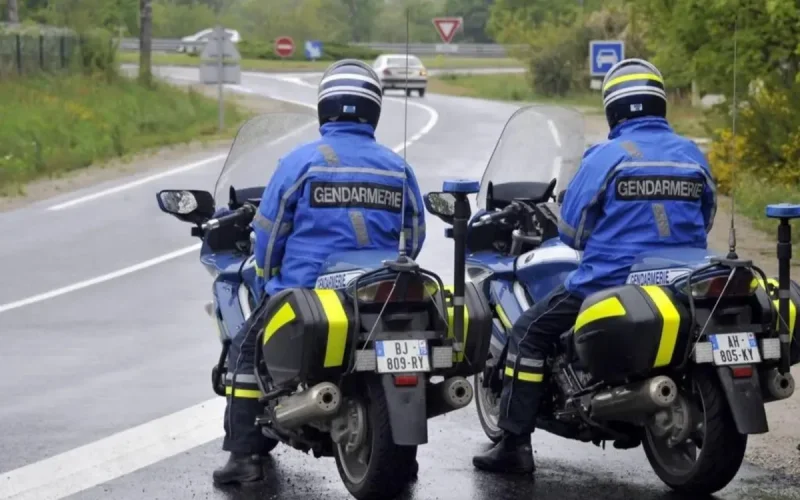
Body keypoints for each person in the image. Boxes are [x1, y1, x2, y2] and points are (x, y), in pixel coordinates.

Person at [472, 58, 717, 476]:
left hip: (610, 279)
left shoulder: (605, 156)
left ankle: (514, 443)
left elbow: (571, 232)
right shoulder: (691, 154)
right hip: (684, 277)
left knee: (528, 333)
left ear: (614, 109)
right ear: (659, 103)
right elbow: (707, 216)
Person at [213, 59, 426, 485]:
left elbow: (269, 233)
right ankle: (401, 458)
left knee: (244, 350)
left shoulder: (300, 162)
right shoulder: (397, 167)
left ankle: (244, 456)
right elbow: (416, 233)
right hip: (380, 289)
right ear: (374, 111)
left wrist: (268, 278)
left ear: (325, 107)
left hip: (308, 289)